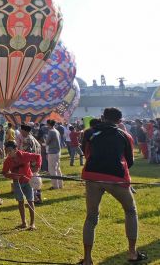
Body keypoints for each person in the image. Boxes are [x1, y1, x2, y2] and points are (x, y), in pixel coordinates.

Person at [79, 108, 146, 265]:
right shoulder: (125, 135)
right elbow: (130, 161)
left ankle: (87, 259)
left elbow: (86, 152)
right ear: (120, 121)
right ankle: (132, 253)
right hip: (116, 177)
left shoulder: (89, 132)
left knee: (91, 216)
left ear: (102, 118)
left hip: (92, 176)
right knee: (130, 211)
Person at [2, 141, 41, 230]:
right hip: (17, 183)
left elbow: (38, 157)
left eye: (10, 150)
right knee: (20, 201)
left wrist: (37, 168)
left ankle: (32, 224)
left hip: (28, 181)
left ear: (16, 149)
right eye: (6, 151)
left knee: (30, 201)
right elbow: (4, 172)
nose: (8, 153)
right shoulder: (8, 160)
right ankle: (24, 223)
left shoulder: (25, 155)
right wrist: (12, 176)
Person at [45, 120, 63, 189]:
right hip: (58, 152)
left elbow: (47, 142)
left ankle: (55, 186)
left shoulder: (51, 131)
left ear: (49, 124)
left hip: (52, 152)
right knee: (57, 169)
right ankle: (60, 184)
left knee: (52, 169)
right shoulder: (56, 131)